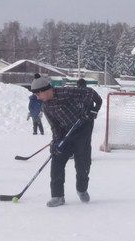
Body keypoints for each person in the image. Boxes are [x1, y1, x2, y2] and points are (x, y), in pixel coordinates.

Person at [29, 75, 102, 207]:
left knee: (82, 163)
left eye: (38, 94)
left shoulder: (65, 92)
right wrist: (56, 143)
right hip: (66, 133)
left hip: (83, 129)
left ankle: (81, 189)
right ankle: (57, 196)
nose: (37, 98)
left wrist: (92, 110)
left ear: (45, 90)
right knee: (56, 159)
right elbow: (55, 126)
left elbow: (91, 94)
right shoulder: (46, 107)